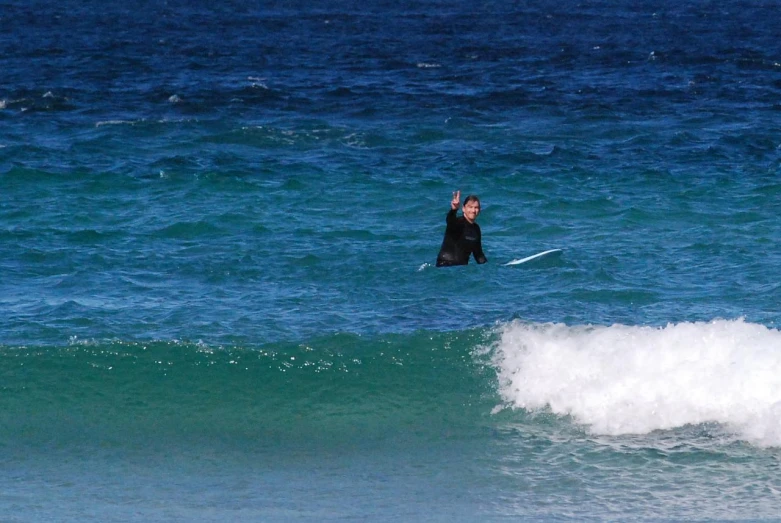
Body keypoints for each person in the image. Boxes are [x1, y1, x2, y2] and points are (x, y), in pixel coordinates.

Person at [436, 190, 487, 267]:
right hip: (445, 265)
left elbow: (478, 255)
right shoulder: (457, 223)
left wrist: (490, 268)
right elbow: (450, 220)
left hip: (461, 270)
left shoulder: (476, 229)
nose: (473, 210)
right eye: (470, 207)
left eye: (476, 207)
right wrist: (454, 210)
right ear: (463, 208)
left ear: (479, 210)